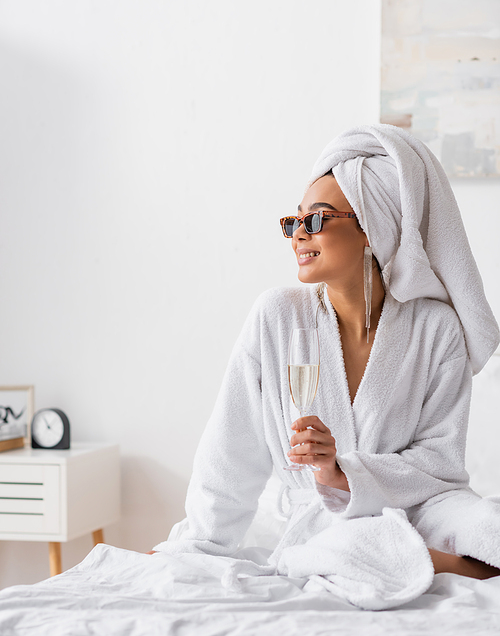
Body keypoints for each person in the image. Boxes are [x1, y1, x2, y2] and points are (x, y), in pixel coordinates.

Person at [151, 124, 500, 610]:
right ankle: (419, 560)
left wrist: (346, 472)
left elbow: (439, 463)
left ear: (371, 227)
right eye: (292, 222)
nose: (298, 234)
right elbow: (229, 453)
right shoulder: (276, 316)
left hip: (418, 505)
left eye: (315, 220)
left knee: (491, 528)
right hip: (324, 519)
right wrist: (199, 543)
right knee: (352, 542)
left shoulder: (436, 329)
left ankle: (416, 557)